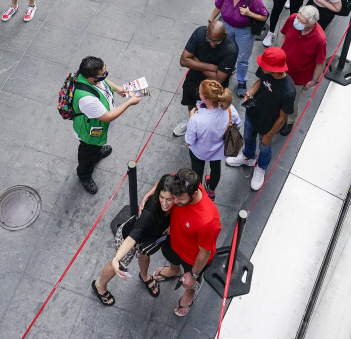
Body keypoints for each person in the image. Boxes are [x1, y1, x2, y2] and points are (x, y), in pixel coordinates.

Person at [92, 174, 180, 305]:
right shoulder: (150, 212)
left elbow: (163, 179)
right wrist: (116, 259)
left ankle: (144, 275)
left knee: (145, 256)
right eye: (161, 197)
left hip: (148, 240)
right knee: (117, 265)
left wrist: (146, 194)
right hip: (128, 237)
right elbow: (132, 237)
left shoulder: (175, 187)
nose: (165, 203)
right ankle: (100, 285)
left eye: (169, 199)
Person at [150, 168, 220, 318]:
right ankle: (175, 270)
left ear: (194, 193)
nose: (174, 202)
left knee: (189, 282)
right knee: (171, 257)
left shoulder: (208, 220)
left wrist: (193, 275)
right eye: (173, 197)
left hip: (193, 258)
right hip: (174, 240)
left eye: (179, 200)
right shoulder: (181, 182)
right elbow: (162, 183)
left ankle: (190, 293)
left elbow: (205, 252)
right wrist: (145, 198)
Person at [69, 55, 141, 194]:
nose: (105, 76)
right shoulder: (87, 99)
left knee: (95, 148)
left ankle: (96, 152)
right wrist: (129, 102)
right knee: (87, 153)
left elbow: (104, 81)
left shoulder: (91, 76)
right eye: (102, 75)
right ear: (91, 78)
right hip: (89, 132)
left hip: (96, 127)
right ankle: (84, 175)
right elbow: (107, 117)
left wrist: (118, 88)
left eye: (105, 72)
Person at [226, 47, 294, 190]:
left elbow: (283, 117)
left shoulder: (288, 91)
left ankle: (261, 167)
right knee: (248, 138)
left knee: (265, 148)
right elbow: (259, 81)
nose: (261, 66)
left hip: (268, 125)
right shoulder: (266, 71)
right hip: (253, 114)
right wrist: (250, 92)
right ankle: (248, 157)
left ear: (275, 69)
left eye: (265, 65)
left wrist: (269, 135)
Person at [174, 22, 237, 138]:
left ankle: (206, 129)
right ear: (207, 33)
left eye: (217, 41)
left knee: (210, 109)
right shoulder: (199, 33)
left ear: (224, 36)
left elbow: (218, 79)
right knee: (192, 102)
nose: (212, 44)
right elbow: (183, 61)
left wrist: (195, 62)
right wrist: (211, 67)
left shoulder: (231, 49)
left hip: (213, 87)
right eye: (210, 40)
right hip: (193, 79)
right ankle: (191, 121)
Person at [211, 0, 269, 94]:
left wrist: (249, 13)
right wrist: (211, 20)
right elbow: (218, 6)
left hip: (244, 31)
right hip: (226, 26)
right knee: (226, 51)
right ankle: (229, 68)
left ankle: (242, 80)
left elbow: (263, 16)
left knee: (243, 57)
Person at [184, 79, 240, 199]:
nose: (199, 94)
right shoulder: (229, 109)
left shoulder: (196, 119)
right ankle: (210, 191)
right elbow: (238, 124)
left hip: (199, 152)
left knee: (196, 172)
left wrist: (191, 118)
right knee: (216, 168)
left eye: (200, 93)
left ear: (207, 99)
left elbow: (190, 141)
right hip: (218, 150)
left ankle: (198, 193)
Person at [277, 4, 326, 119]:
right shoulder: (292, 19)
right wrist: (278, 54)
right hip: (281, 68)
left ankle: (289, 120)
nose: (297, 21)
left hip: (299, 78)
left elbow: (320, 62)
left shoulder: (320, 39)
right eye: (298, 17)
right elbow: (284, 36)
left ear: (311, 24)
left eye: (302, 21)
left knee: (293, 101)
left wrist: (314, 80)